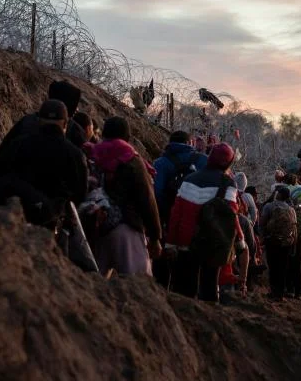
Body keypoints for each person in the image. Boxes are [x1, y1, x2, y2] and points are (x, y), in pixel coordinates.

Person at [0, 100, 88, 225]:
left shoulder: (19, 143)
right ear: (65, 124)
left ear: (38, 121)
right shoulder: (75, 154)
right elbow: (80, 193)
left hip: (13, 217)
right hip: (50, 222)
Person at [165, 143, 245, 302]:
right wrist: (240, 240)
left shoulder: (188, 179)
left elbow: (176, 214)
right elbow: (231, 214)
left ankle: (181, 323)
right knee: (209, 288)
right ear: (229, 163)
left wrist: (170, 242)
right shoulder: (228, 183)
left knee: (184, 291)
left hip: (185, 240)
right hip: (212, 243)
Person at [90, 117, 161, 276]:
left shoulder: (92, 153)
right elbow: (146, 199)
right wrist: (155, 236)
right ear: (127, 136)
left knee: (94, 282)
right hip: (126, 227)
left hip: (95, 227)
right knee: (138, 283)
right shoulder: (131, 159)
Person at [0, 80, 82, 161]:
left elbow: (2, 154)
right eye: (74, 104)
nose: (76, 110)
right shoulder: (74, 130)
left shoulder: (26, 121)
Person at [152, 130, 208, 226]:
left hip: (170, 217)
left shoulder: (159, 163)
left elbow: (157, 192)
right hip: (199, 218)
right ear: (188, 142)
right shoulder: (204, 160)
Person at [260, 186, 297, 300]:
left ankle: (273, 291)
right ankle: (280, 293)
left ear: (278, 194)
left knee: (273, 266)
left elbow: (262, 222)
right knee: (283, 267)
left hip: (272, 240)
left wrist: (263, 236)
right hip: (286, 243)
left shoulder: (270, 206)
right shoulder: (291, 210)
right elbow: (294, 228)